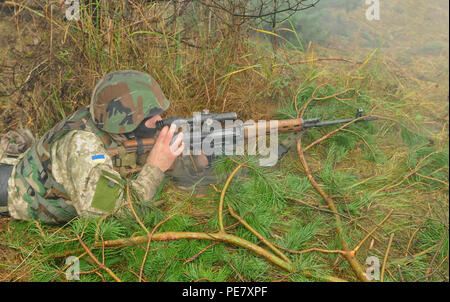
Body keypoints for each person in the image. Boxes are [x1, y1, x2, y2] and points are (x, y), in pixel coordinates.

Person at [0, 70, 208, 224]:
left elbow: (134, 155)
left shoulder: (110, 122)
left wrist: (196, 156)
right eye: (150, 115)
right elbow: (111, 213)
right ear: (126, 120)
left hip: (30, 163)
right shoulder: (82, 146)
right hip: (14, 191)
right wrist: (156, 168)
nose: (159, 119)